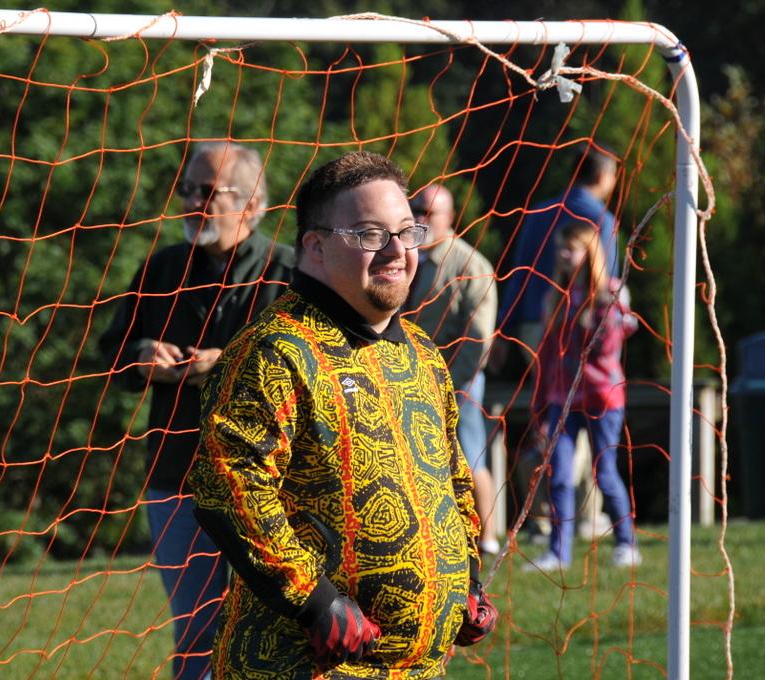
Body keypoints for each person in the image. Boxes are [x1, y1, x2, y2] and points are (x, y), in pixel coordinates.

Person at [188, 151, 497, 679]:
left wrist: (466, 578)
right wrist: (314, 602)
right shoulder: (275, 350)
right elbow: (228, 489)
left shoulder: (422, 353)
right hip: (307, 666)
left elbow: (452, 479)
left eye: (407, 231)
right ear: (314, 245)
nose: (397, 251)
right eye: (370, 234)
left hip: (420, 667)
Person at [99, 142, 294, 679]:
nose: (192, 202)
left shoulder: (289, 269)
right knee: (196, 627)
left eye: (209, 192)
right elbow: (108, 352)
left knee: (269, 624)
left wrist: (229, 363)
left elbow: (314, 367)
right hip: (177, 473)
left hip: (268, 481)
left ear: (252, 202)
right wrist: (141, 357)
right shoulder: (162, 267)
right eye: (187, 190)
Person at [492, 143, 620, 543]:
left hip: (534, 327)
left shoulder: (539, 211)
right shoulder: (601, 218)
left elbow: (518, 274)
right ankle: (582, 517)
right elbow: (606, 287)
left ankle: (543, 517)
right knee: (577, 416)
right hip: (579, 327)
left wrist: (503, 329)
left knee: (549, 414)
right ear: (603, 175)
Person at [526, 220, 640, 571]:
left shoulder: (611, 293)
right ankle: (558, 553)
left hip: (603, 397)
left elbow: (609, 349)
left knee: (604, 472)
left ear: (589, 253)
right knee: (558, 474)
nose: (562, 255)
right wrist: (541, 403)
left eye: (570, 248)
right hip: (563, 398)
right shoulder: (555, 297)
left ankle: (626, 544)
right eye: (560, 248)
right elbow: (547, 352)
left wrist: (599, 321)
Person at [406, 183, 500, 557]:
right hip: (409, 379)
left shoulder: (469, 264)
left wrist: (449, 382)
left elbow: (480, 337)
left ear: (451, 218)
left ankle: (488, 537)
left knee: (469, 454)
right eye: (414, 209)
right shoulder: (404, 257)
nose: (418, 219)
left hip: (459, 381)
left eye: (428, 213)